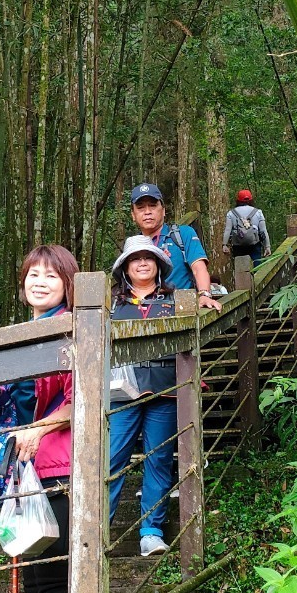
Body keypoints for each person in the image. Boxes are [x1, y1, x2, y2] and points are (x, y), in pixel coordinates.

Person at [10, 244, 78, 593]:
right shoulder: (25, 332)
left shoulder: (68, 328)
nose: (40, 282)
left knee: (52, 576)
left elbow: (79, 396)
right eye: (33, 274)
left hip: (58, 463)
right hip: (26, 469)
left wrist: (38, 429)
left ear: (67, 284)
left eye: (51, 276)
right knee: (34, 579)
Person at [108, 236, 179, 557]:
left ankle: (151, 531)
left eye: (147, 258)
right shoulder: (112, 303)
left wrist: (205, 297)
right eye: (134, 259)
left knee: (160, 459)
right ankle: (98, 529)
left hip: (165, 390)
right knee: (111, 460)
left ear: (158, 264)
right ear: (125, 267)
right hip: (121, 393)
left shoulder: (174, 299)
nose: (141, 263)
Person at [128, 182, 222, 312]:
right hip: (143, 312)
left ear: (164, 210)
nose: (147, 212)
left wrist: (204, 294)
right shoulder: (132, 246)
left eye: (153, 206)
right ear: (133, 215)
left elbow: (198, 268)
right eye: (140, 207)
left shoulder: (183, 234)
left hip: (181, 309)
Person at [222, 189, 271, 263]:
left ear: (238, 200)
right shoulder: (258, 212)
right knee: (256, 267)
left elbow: (228, 230)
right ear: (251, 200)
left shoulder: (231, 213)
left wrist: (224, 245)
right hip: (255, 244)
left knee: (240, 268)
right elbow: (263, 231)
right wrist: (267, 246)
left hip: (238, 245)